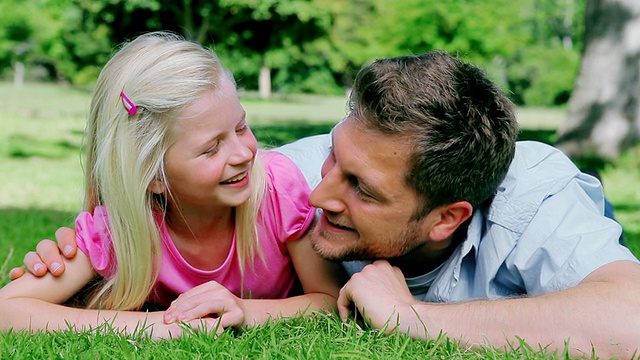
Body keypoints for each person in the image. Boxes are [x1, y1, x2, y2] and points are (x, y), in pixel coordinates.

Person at [14, 51, 640, 357]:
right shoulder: (284, 173)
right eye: (333, 159)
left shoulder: (529, 191)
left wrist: (413, 321)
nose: (317, 195)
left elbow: (628, 321)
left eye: (359, 188)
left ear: (448, 216)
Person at [0, 31, 343, 339]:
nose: (243, 154)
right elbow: (7, 310)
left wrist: (244, 311)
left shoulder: (277, 190)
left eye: (240, 128)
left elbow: (328, 300)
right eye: (211, 148)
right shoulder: (119, 231)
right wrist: (160, 326)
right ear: (152, 178)